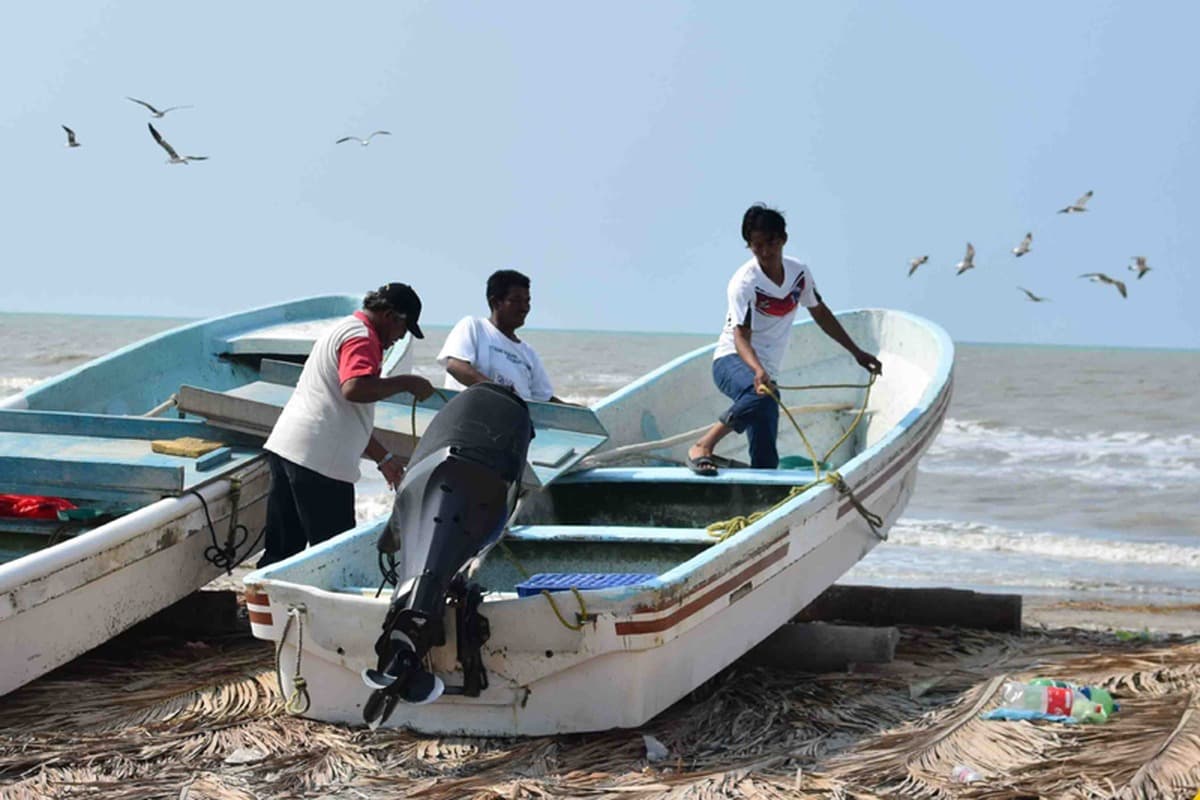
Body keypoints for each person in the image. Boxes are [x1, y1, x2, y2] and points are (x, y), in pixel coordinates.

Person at [686, 205, 883, 475]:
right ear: (749, 246)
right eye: (757, 246)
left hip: (765, 372)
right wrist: (757, 370)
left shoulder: (799, 274)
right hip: (731, 360)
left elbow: (820, 313)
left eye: (771, 243)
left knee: (766, 457)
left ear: (783, 239)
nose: (765, 252)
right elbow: (740, 335)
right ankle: (702, 446)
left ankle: (759, 491)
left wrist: (856, 352)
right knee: (764, 396)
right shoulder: (744, 283)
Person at [257, 283, 435, 567]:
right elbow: (353, 388)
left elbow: (344, 412)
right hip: (320, 462)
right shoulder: (363, 337)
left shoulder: (344, 328)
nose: (401, 338)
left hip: (288, 448)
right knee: (336, 559)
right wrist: (407, 382)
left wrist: (383, 458)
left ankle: (264, 598)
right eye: (404, 329)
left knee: (281, 553)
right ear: (390, 316)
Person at [436, 269, 569, 403]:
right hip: (471, 413)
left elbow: (544, 399)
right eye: (516, 300)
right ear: (495, 302)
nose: (524, 308)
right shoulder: (474, 327)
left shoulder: (528, 353)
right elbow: (456, 366)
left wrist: (578, 411)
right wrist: (501, 394)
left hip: (514, 416)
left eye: (527, 301)